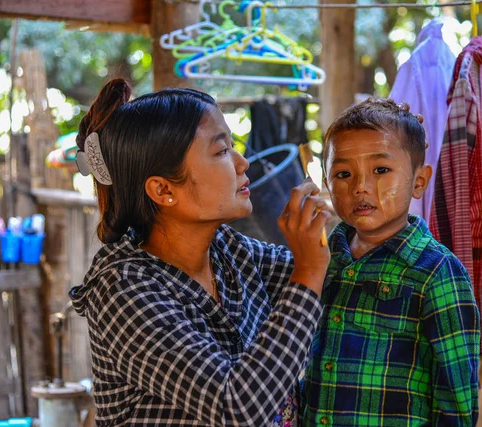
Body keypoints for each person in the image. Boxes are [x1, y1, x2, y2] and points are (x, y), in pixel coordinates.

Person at [69, 78, 331, 426]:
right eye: (222, 151)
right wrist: (309, 272)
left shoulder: (228, 250)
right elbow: (235, 405)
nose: (243, 163)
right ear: (163, 190)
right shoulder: (123, 288)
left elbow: (336, 274)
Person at [301, 98, 481, 426]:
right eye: (343, 173)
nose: (361, 187)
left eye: (381, 170)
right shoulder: (322, 260)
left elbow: (456, 400)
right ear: (327, 182)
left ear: (418, 181)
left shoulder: (437, 274)